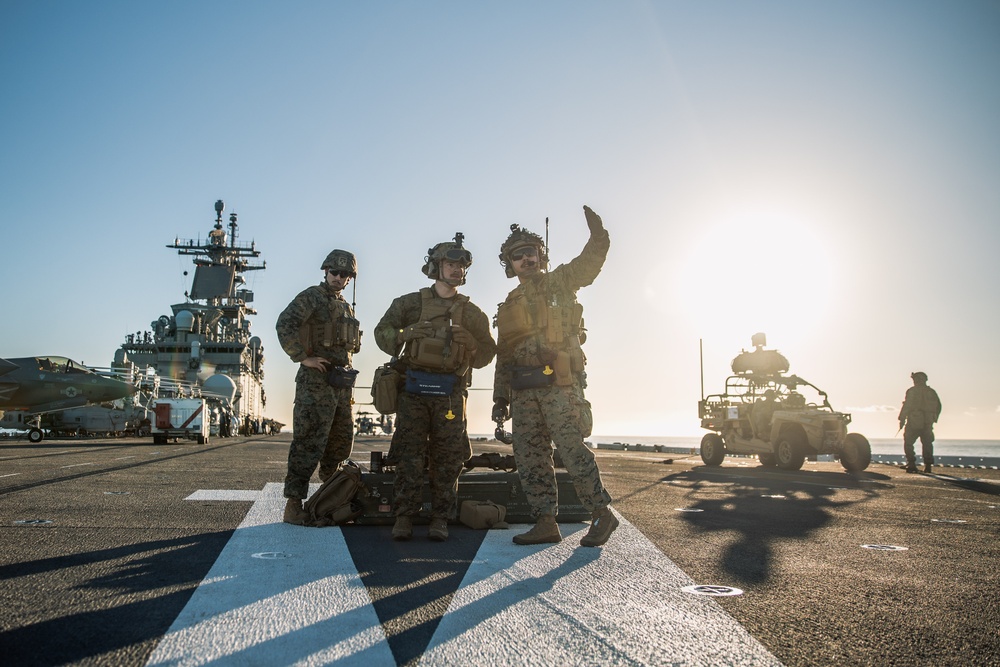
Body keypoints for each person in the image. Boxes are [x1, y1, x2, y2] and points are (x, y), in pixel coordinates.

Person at [492, 205, 618, 547]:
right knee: (530, 457)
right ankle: (545, 521)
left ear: (541, 256)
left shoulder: (559, 282)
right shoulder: (508, 304)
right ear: (510, 264)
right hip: (522, 390)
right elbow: (503, 355)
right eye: (518, 256)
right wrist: (500, 398)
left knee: (572, 450)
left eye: (531, 253)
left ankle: (602, 514)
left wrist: (598, 236)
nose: (526, 260)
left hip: (558, 384)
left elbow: (589, 264)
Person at [374, 234, 496, 541]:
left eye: (462, 266)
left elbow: (487, 354)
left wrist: (471, 346)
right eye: (451, 264)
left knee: (448, 457)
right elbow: (381, 332)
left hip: (451, 394)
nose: (457, 270)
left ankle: (440, 517)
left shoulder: (472, 313)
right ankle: (404, 516)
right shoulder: (410, 303)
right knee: (408, 454)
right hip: (413, 390)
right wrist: (405, 333)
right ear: (435, 267)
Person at [275, 249, 362, 524]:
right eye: (334, 272)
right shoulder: (311, 297)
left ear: (350, 278)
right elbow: (284, 323)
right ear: (325, 271)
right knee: (308, 442)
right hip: (315, 384)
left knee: (339, 444)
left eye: (344, 274)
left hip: (340, 385)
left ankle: (329, 500)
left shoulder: (346, 306)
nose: (338, 277)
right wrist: (303, 357)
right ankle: (293, 505)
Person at [898, 371, 942, 473]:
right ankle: (928, 466)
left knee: (908, 442)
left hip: (914, 421)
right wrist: (933, 418)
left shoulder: (912, 391)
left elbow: (907, 406)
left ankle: (911, 463)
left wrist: (902, 419)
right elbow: (938, 407)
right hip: (928, 422)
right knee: (927, 443)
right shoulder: (931, 392)